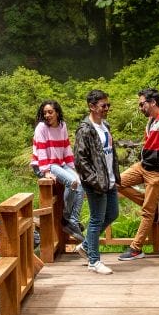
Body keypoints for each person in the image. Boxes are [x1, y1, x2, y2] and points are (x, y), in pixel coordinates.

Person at [117, 87, 159, 262]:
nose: (140, 108)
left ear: (152, 102)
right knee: (116, 182)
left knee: (146, 212)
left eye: (142, 104)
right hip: (143, 166)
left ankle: (136, 248)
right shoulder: (153, 119)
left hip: (157, 172)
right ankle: (153, 208)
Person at [72, 89, 119, 275]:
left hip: (109, 180)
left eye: (108, 105)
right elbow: (80, 160)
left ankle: (85, 246)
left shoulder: (105, 125)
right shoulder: (85, 130)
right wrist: (95, 181)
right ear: (92, 107)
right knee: (96, 219)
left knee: (113, 213)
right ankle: (94, 261)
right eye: (103, 106)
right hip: (96, 183)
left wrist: (115, 176)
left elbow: (110, 154)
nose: (107, 108)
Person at [30, 99, 85, 241]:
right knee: (72, 181)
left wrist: (73, 169)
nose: (47, 115)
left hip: (59, 163)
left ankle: (73, 220)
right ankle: (66, 218)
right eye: (45, 113)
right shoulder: (41, 127)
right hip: (44, 164)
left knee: (80, 183)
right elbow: (41, 150)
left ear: (57, 112)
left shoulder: (62, 126)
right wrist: (46, 171)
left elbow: (66, 148)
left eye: (50, 112)